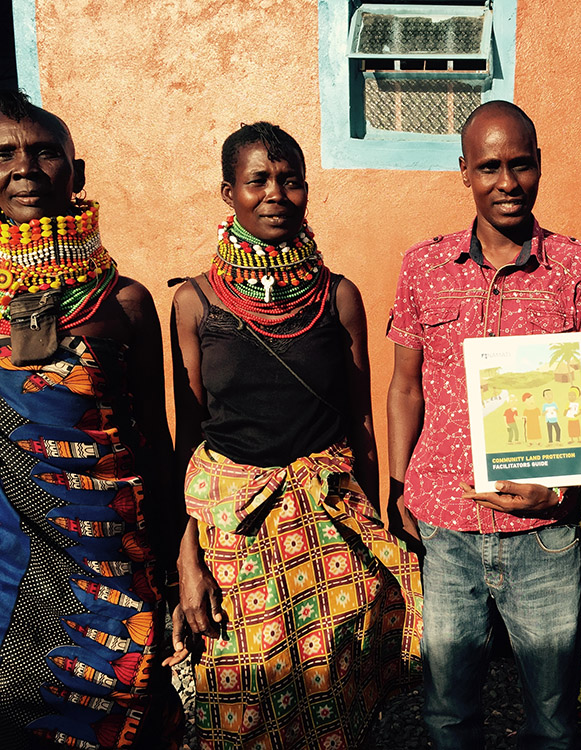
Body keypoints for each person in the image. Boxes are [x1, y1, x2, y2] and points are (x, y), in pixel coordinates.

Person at [169, 122, 421, 749]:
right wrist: (185, 560)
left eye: (291, 180)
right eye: (258, 180)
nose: (276, 194)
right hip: (234, 535)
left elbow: (361, 424)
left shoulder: (338, 298)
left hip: (327, 533)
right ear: (229, 193)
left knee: (336, 695)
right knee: (238, 696)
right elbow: (187, 441)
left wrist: (376, 526)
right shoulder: (197, 303)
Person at [386, 100, 581, 749]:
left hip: (544, 530)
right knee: (449, 713)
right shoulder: (422, 267)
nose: (507, 182)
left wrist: (564, 489)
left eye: (520, 165)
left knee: (551, 719)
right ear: (465, 171)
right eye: (490, 167)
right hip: (447, 529)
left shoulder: (578, 268)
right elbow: (404, 387)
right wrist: (400, 484)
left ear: (539, 166)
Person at [0, 91, 182, 748]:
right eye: (5, 153)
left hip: (117, 570)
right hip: (11, 576)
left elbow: (154, 441)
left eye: (45, 152)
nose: (25, 167)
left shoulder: (124, 303)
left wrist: (177, 560)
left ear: (77, 172)